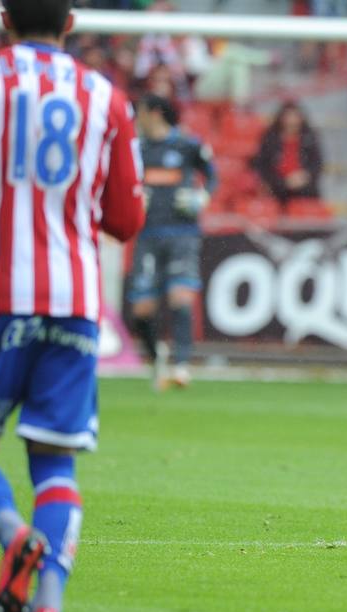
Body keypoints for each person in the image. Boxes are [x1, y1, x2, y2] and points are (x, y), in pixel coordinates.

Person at [0, 0, 145, 612]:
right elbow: (126, 221)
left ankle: (11, 532)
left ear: (5, 18)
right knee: (55, 461)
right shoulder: (106, 96)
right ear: (70, 23)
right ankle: (47, 608)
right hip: (75, 300)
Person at [127, 92, 215, 390]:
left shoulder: (187, 145)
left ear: (154, 113)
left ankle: (181, 366)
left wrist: (203, 197)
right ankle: (157, 358)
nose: (137, 117)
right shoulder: (137, 149)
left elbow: (212, 175)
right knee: (142, 311)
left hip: (182, 234)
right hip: (148, 235)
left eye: (140, 111)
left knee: (180, 298)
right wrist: (133, 199)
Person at [252, 101, 324, 204]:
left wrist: (304, 176)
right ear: (281, 118)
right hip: (276, 184)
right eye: (288, 116)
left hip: (303, 185)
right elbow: (261, 164)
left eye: (295, 116)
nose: (291, 120)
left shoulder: (310, 138)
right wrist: (281, 181)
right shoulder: (269, 138)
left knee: (308, 196)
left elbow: (316, 164)